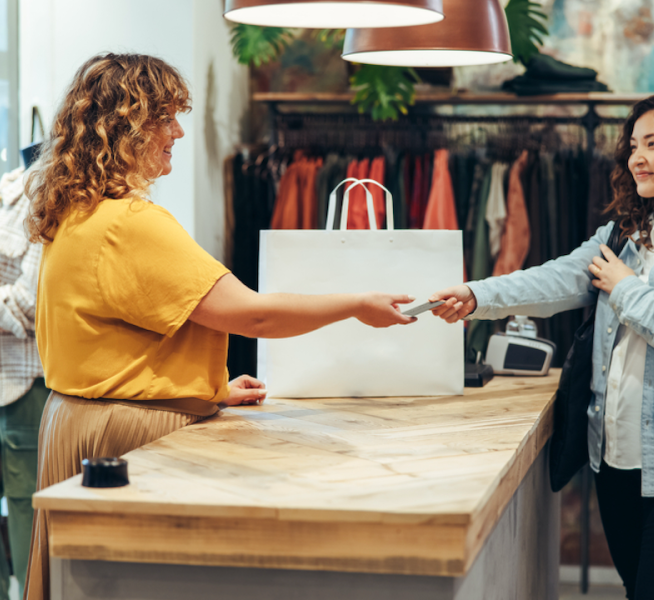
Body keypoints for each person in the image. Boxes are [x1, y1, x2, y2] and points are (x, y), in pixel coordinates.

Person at [22, 53, 415, 600]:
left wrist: (207, 388)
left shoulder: (79, 212)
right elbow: (250, 314)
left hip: (78, 422)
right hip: (123, 436)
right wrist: (355, 303)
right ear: (125, 128)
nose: (178, 131)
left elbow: (118, 337)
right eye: (163, 118)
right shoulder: (130, 223)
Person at [429, 93, 654, 600]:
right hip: (614, 457)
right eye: (633, 146)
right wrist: (476, 295)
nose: (637, 158)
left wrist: (626, 288)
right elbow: (555, 279)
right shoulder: (625, 232)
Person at [0, 165, 48, 600]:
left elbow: (32, 302)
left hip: (28, 379)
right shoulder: (9, 184)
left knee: (24, 501)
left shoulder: (51, 186)